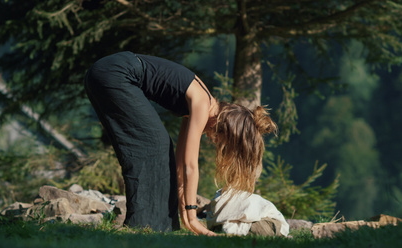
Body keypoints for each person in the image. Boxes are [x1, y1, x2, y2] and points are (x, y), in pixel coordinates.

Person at [84, 51, 277, 235]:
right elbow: (191, 166)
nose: (215, 142)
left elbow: (179, 164)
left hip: (106, 71)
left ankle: (157, 226)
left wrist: (184, 209)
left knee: (159, 144)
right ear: (227, 129)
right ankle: (145, 225)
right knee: (155, 144)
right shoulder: (203, 104)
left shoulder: (197, 105)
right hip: (115, 72)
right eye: (223, 141)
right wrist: (192, 217)